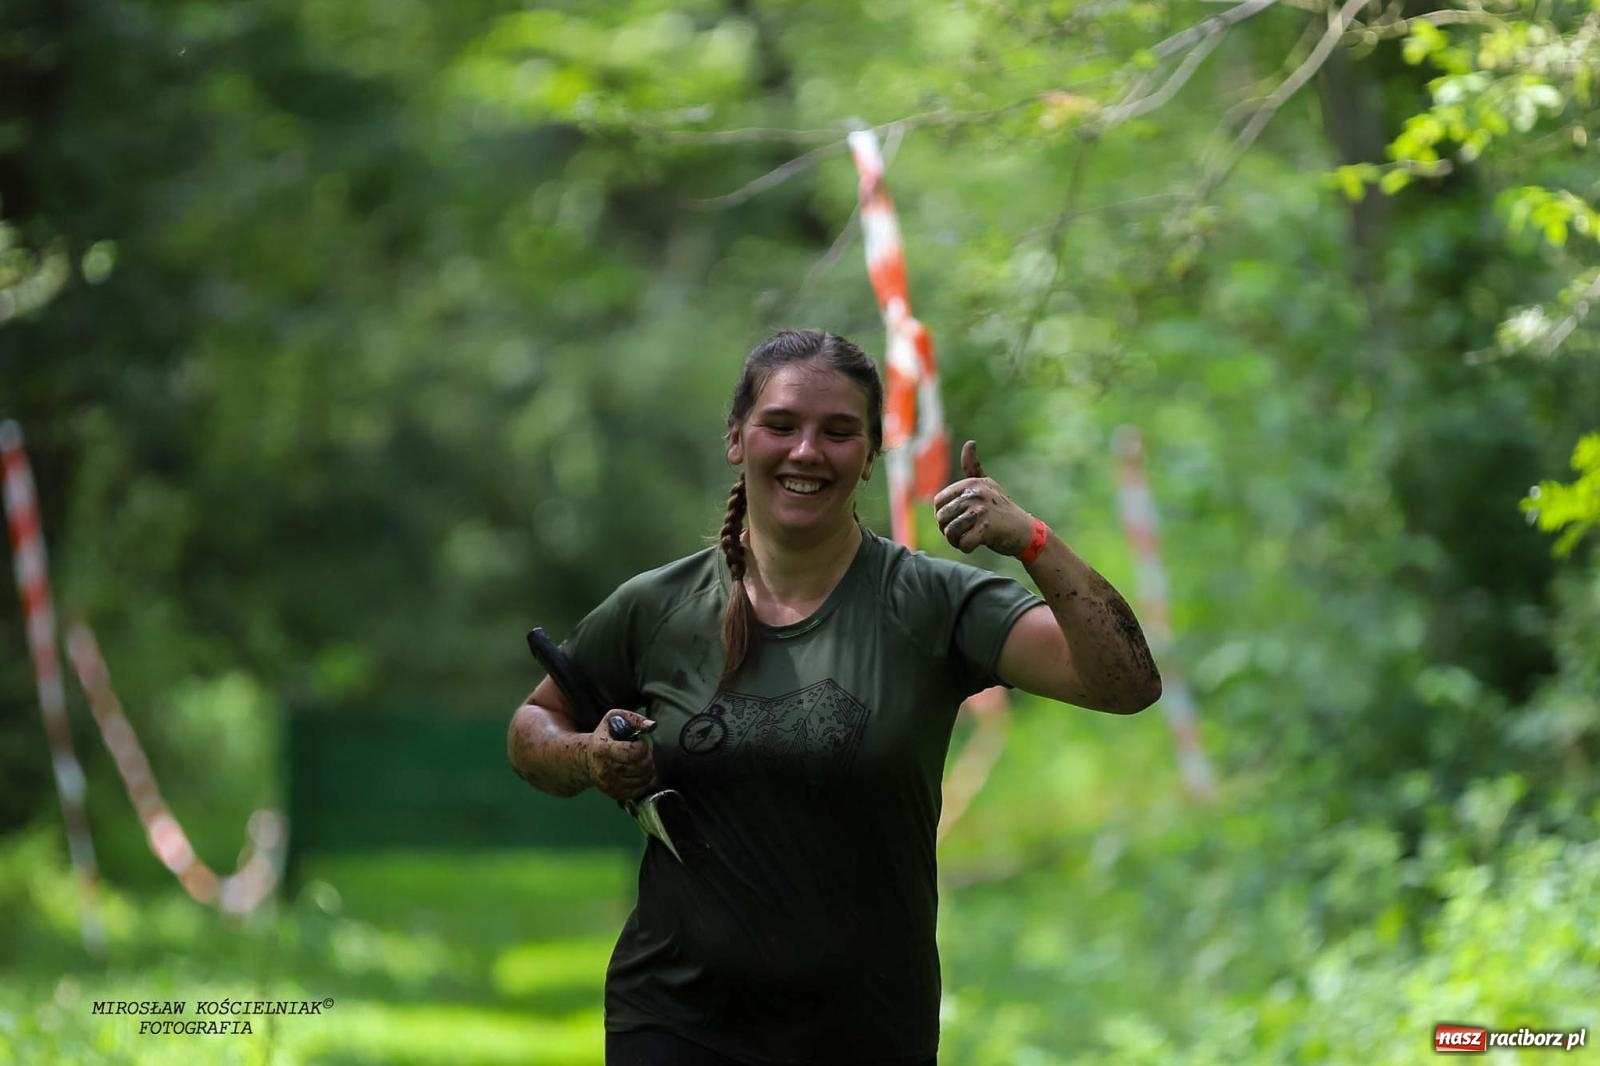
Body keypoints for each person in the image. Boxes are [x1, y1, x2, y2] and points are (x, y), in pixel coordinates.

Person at [507, 329, 1161, 1066]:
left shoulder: (929, 603)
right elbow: (533, 727)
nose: (807, 451)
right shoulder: (658, 607)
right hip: (675, 1018)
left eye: (838, 432)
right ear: (736, 438)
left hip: (867, 1028)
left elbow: (1125, 683)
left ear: (872, 453)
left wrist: (1034, 541)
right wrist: (589, 756)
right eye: (781, 425)